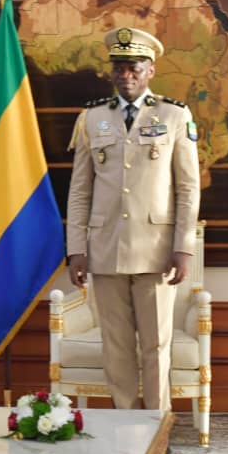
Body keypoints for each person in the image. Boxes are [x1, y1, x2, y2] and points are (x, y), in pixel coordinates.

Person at [65, 27, 200, 424]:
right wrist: (76, 249)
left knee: (156, 346)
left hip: (156, 252)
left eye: (134, 68)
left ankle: (156, 429)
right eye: (119, 68)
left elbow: (188, 188)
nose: (125, 75)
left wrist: (183, 247)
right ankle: (125, 428)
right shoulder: (92, 118)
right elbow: (79, 191)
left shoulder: (174, 115)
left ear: (150, 70)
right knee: (117, 346)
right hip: (106, 250)